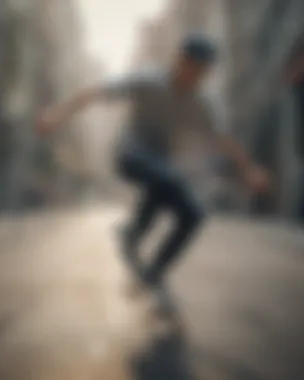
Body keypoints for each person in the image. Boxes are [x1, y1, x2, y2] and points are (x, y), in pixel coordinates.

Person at [37, 35, 270, 293]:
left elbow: (225, 141)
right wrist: (56, 115)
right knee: (169, 176)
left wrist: (249, 171)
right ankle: (134, 230)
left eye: (201, 72)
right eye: (190, 67)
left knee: (194, 214)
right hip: (130, 155)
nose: (193, 76)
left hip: (164, 167)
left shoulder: (205, 104)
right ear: (179, 60)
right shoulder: (148, 80)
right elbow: (94, 93)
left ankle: (155, 270)